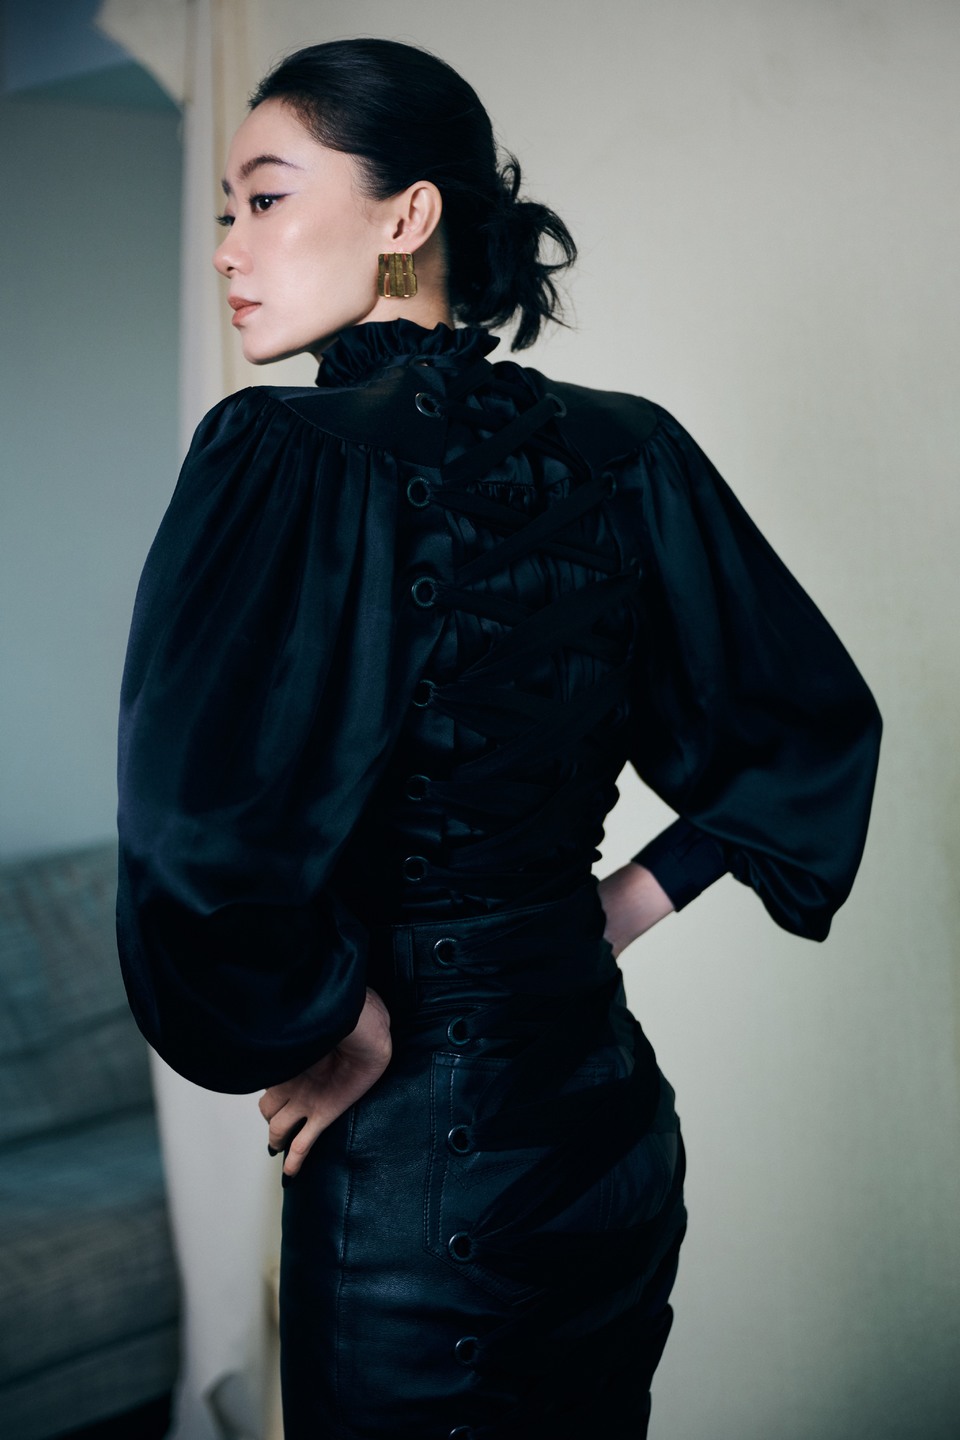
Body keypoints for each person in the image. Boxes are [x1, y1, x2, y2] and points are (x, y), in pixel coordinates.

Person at [115, 37, 881, 1440]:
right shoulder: (631, 448)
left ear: (407, 216)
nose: (230, 245)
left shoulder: (278, 452)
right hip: (608, 1135)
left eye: (268, 197)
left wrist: (334, 1021)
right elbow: (803, 726)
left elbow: (189, 837)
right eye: (227, 210)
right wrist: (607, 914)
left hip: (424, 1177)